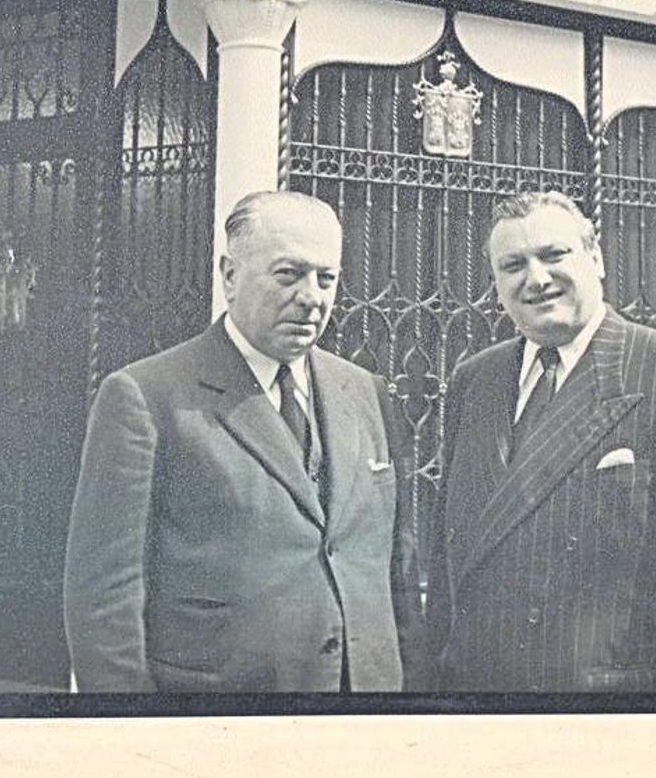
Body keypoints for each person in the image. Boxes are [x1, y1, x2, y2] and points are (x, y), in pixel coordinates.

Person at [63, 190, 420, 692]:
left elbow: (397, 571)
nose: (312, 297)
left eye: (326, 278)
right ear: (229, 276)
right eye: (288, 274)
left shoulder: (367, 393)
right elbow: (104, 598)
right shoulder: (148, 397)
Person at [427, 191, 656, 693]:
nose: (536, 279)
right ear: (496, 284)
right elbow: (446, 569)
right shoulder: (476, 380)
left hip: (607, 716)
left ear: (596, 258)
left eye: (554, 255)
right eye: (512, 265)